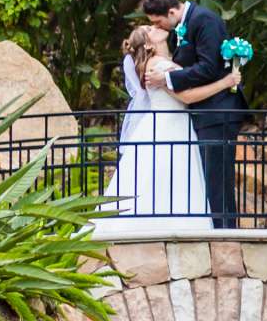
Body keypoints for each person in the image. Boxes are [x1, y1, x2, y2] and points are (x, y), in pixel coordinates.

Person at [102, 22, 241, 232]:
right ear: (149, 44)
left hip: (169, 124)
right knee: (166, 175)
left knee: (166, 177)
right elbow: (187, 95)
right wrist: (225, 82)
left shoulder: (165, 62)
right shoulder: (158, 66)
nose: (154, 26)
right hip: (169, 125)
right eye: (149, 29)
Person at [142, 0, 250, 229]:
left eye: (158, 22)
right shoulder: (186, 24)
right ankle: (219, 231)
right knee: (211, 178)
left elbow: (209, 67)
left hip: (219, 111)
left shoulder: (204, 20)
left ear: (171, 12)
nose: (158, 28)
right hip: (207, 112)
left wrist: (168, 78)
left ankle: (226, 236)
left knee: (218, 179)